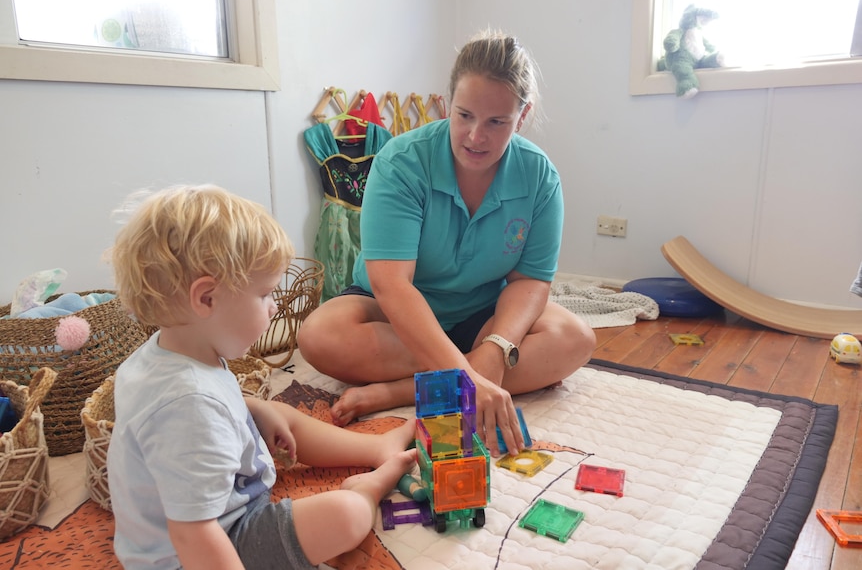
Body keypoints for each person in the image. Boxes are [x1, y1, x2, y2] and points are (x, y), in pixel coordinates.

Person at [297, 29, 596, 458]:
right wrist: (476, 376)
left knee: (576, 338)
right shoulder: (401, 162)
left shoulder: (539, 176)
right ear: (449, 101)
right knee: (320, 335)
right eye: (464, 115)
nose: (476, 136)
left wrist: (497, 347)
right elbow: (393, 285)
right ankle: (461, 376)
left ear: (523, 115)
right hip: (393, 310)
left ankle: (406, 391)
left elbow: (530, 280)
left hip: (481, 313)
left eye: (497, 122)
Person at [107, 184, 416, 570]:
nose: (273, 307)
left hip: (216, 513)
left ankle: (375, 448)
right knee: (348, 513)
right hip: (204, 549)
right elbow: (194, 534)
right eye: (265, 294)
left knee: (273, 412)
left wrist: (254, 410)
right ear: (206, 298)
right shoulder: (188, 406)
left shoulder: (167, 354)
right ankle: (367, 487)